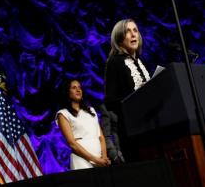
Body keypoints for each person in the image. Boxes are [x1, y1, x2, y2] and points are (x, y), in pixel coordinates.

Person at [103, 19, 151, 161]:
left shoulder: (141, 62)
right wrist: (136, 96)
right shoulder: (114, 62)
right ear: (119, 38)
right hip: (132, 130)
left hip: (150, 125)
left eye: (135, 30)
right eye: (127, 31)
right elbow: (110, 101)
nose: (133, 35)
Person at [56, 79, 111, 170]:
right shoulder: (63, 114)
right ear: (67, 92)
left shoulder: (91, 111)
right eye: (74, 88)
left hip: (100, 161)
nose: (78, 90)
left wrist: (104, 158)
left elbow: (101, 137)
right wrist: (96, 160)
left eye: (79, 87)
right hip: (81, 161)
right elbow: (72, 143)